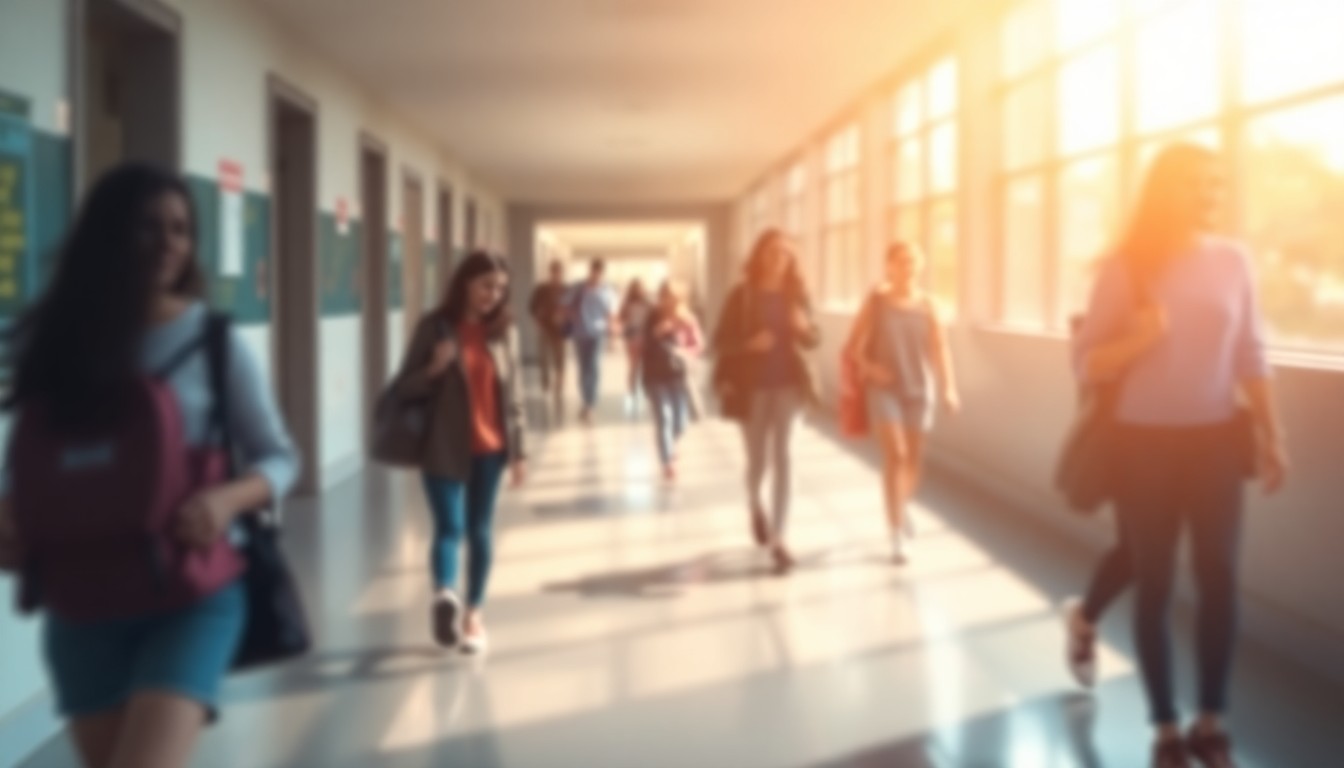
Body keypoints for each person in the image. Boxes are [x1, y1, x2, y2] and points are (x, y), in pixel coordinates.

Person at [0, 164, 299, 768]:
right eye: (148, 226)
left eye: (180, 229)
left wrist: (223, 501)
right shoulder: (58, 342)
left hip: (191, 593)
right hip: (80, 600)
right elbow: (24, 463)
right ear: (108, 233)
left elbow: (280, 457)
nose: (168, 243)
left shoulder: (214, 342)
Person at [1072, 142, 1289, 768]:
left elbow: (1251, 352)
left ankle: (1211, 724)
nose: (1211, 194)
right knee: (1156, 580)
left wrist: (1274, 434)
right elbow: (1086, 361)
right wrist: (1139, 341)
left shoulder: (1233, 260)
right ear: (1168, 190)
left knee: (1220, 577)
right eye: (1199, 182)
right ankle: (1166, 730)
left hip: (1217, 440)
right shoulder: (1126, 268)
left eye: (1216, 183)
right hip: (1141, 444)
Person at [392, 250, 526, 655]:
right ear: (465, 283)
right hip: (442, 446)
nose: (493, 295)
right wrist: (433, 368)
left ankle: (474, 615)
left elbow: (515, 396)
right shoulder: (434, 328)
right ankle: (445, 596)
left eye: (500, 289)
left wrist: (519, 452)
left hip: (490, 448)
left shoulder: (504, 332)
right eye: (486, 285)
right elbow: (404, 388)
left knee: (479, 529)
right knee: (449, 526)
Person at [711, 228, 820, 574]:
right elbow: (719, 342)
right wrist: (749, 345)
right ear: (759, 255)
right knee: (758, 461)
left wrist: (803, 328)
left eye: (785, 253)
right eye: (771, 251)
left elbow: (814, 339)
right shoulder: (741, 295)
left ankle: (780, 537)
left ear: (792, 259)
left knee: (785, 455)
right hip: (751, 388)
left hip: (790, 385)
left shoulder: (797, 295)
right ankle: (755, 504)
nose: (778, 258)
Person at [843, 241, 960, 564]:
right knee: (897, 455)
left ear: (920, 266)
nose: (907, 267)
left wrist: (949, 388)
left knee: (914, 461)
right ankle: (895, 534)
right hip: (885, 389)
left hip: (920, 390)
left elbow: (941, 349)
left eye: (912, 261)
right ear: (889, 266)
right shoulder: (877, 302)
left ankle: (901, 504)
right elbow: (852, 346)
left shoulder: (930, 305)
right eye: (901, 261)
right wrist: (870, 369)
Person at [642, 280, 704, 481]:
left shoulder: (687, 318)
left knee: (680, 422)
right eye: (665, 296)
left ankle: (671, 444)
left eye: (673, 297)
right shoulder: (653, 316)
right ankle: (667, 461)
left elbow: (698, 345)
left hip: (679, 374)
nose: (669, 301)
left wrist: (684, 351)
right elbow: (643, 342)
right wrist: (656, 333)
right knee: (664, 417)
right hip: (655, 374)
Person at [570, 258, 618, 422]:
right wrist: (571, 315)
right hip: (580, 332)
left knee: (594, 367)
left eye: (599, 272)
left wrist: (612, 338)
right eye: (594, 271)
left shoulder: (607, 291)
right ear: (590, 270)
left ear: (602, 273)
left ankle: (590, 404)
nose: (596, 275)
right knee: (583, 368)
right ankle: (585, 400)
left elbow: (611, 315)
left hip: (597, 333)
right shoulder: (578, 288)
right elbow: (564, 306)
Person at [528, 259, 571, 406]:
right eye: (554, 272)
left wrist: (564, 317)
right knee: (543, 358)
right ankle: (545, 384)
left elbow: (572, 308)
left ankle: (559, 384)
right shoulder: (541, 289)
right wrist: (537, 320)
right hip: (544, 327)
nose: (556, 275)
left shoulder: (566, 289)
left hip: (560, 330)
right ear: (550, 273)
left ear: (562, 274)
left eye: (559, 273)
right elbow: (532, 306)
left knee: (560, 358)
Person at [619, 278, 655, 409]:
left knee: (646, 366)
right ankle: (632, 392)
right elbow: (621, 318)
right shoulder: (627, 303)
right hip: (632, 337)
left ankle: (646, 392)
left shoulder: (648, 303)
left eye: (640, 288)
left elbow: (654, 317)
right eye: (636, 288)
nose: (639, 291)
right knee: (633, 367)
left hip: (645, 337)